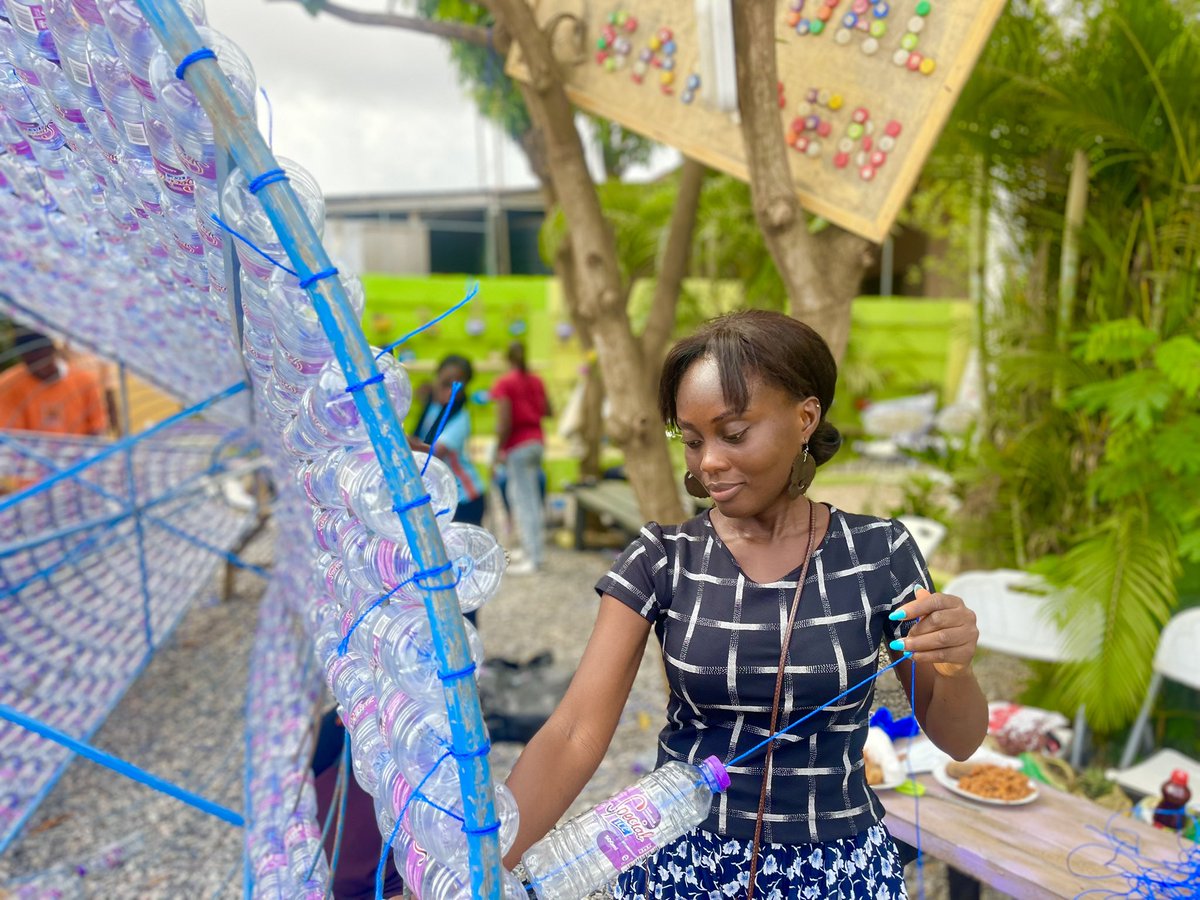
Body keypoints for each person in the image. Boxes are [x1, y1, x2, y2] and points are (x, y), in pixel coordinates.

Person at [502, 310, 987, 898]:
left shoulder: (879, 553)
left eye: (734, 434)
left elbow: (958, 739)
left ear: (805, 417)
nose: (708, 462)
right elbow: (576, 731)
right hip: (681, 865)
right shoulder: (663, 559)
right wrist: (482, 864)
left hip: (838, 869)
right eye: (692, 438)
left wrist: (955, 665)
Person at [490, 341, 551, 575]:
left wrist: (498, 449)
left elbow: (504, 421)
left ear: (508, 359)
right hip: (536, 442)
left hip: (518, 444)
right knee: (531, 499)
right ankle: (531, 551)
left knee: (525, 503)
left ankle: (533, 558)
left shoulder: (505, 382)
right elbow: (547, 410)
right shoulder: (536, 380)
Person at [416, 354, 486, 527]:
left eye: (457, 387)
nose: (450, 392)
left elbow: (433, 453)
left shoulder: (461, 419)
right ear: (436, 378)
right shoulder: (432, 407)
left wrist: (399, 440)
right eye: (446, 384)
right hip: (443, 496)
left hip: (464, 499)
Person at [0, 328, 109, 435]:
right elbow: (11, 438)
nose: (38, 366)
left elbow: (97, 427)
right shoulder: (8, 385)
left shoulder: (84, 381)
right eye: (31, 361)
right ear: (22, 357)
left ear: (51, 349)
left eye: (41, 356)